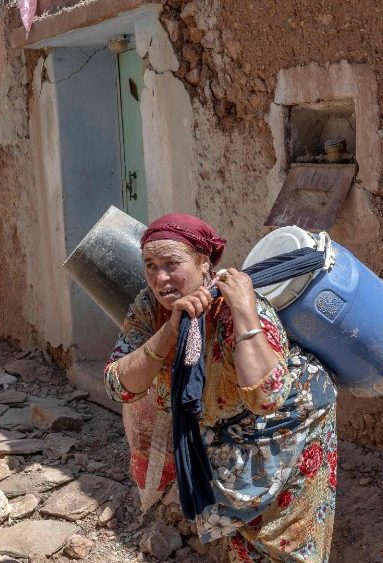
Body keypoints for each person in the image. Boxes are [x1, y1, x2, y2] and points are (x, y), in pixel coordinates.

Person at [104, 213, 338, 562]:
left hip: (291, 422)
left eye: (171, 264)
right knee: (244, 541)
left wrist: (244, 311)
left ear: (204, 264)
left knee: (288, 540)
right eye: (150, 265)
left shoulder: (234, 307)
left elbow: (267, 396)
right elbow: (118, 386)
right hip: (228, 430)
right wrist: (168, 332)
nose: (160, 278)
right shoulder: (150, 308)